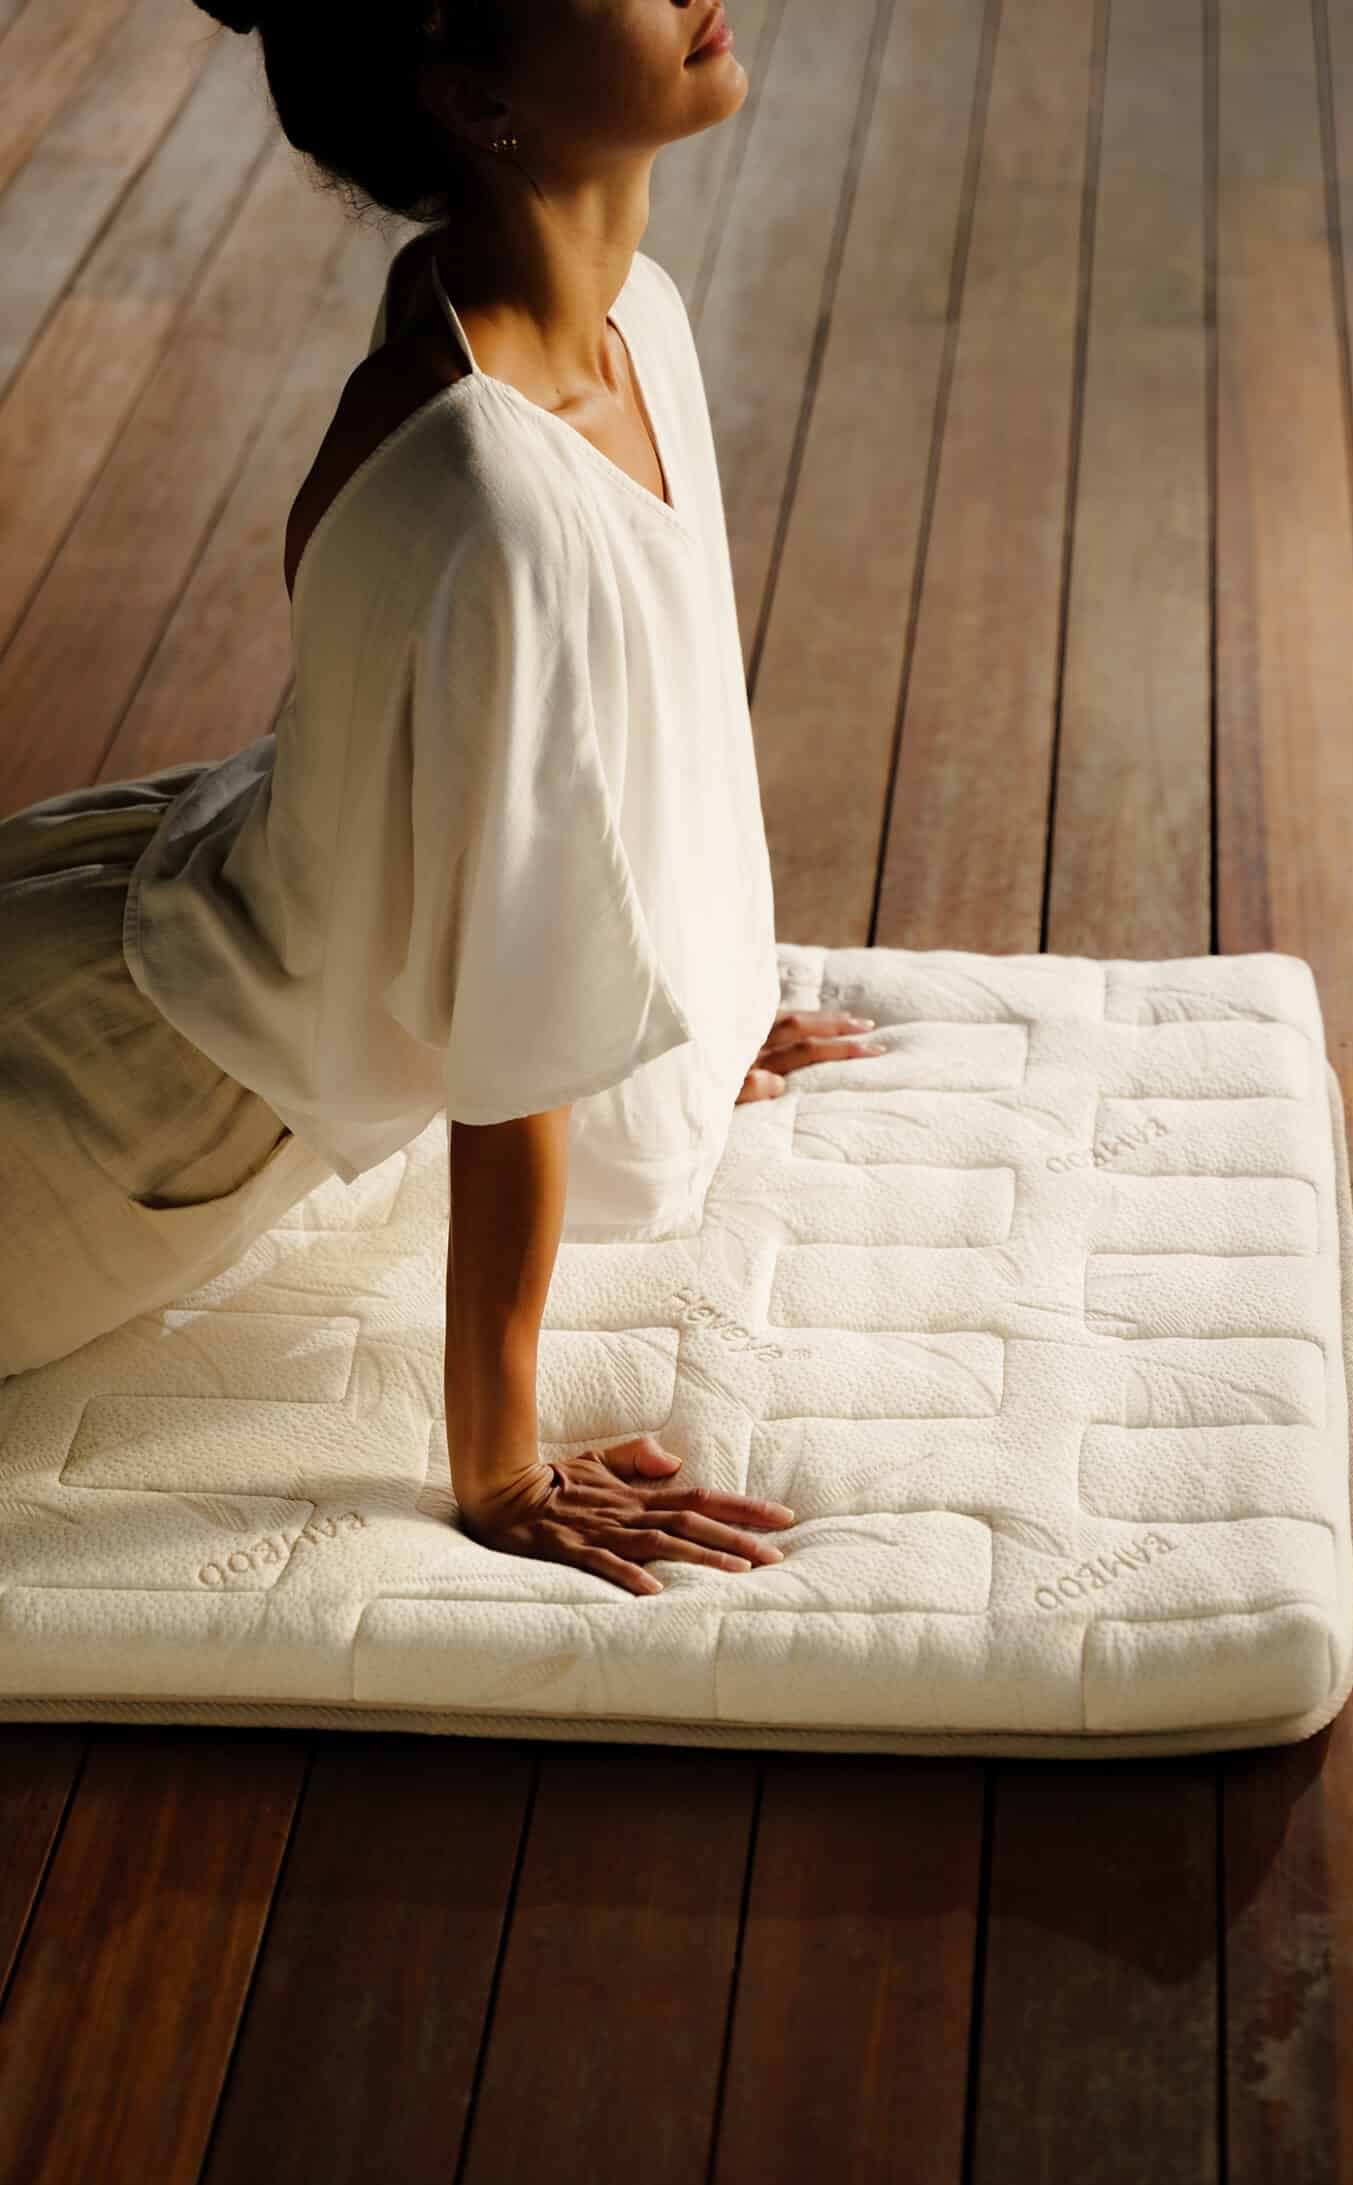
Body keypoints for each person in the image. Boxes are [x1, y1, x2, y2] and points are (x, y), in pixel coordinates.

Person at [0, 0, 886, 1594]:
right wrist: (503, 1468)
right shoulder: (491, 487)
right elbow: (511, 1034)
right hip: (118, 1109)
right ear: (480, 98)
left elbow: (631, 747)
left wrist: (706, 1001)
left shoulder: (625, 322)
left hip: (161, 902)